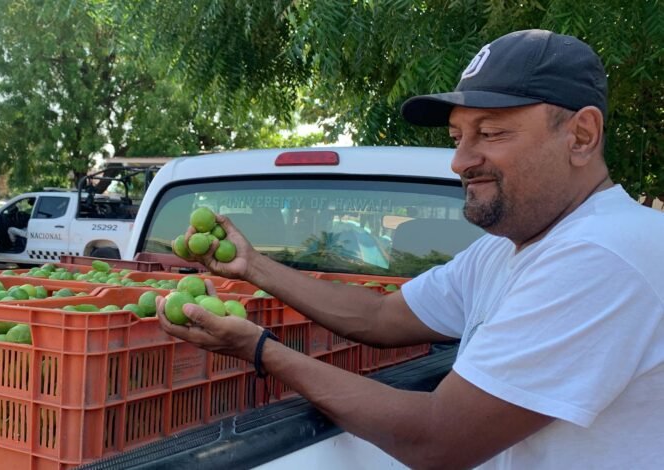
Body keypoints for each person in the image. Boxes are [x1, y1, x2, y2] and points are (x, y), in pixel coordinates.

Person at [156, 29, 664, 469]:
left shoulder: (603, 254)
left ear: (581, 135)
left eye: (490, 132)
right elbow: (381, 318)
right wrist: (255, 266)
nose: (460, 161)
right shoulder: (512, 249)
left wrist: (259, 348)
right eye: (457, 136)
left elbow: (437, 439)